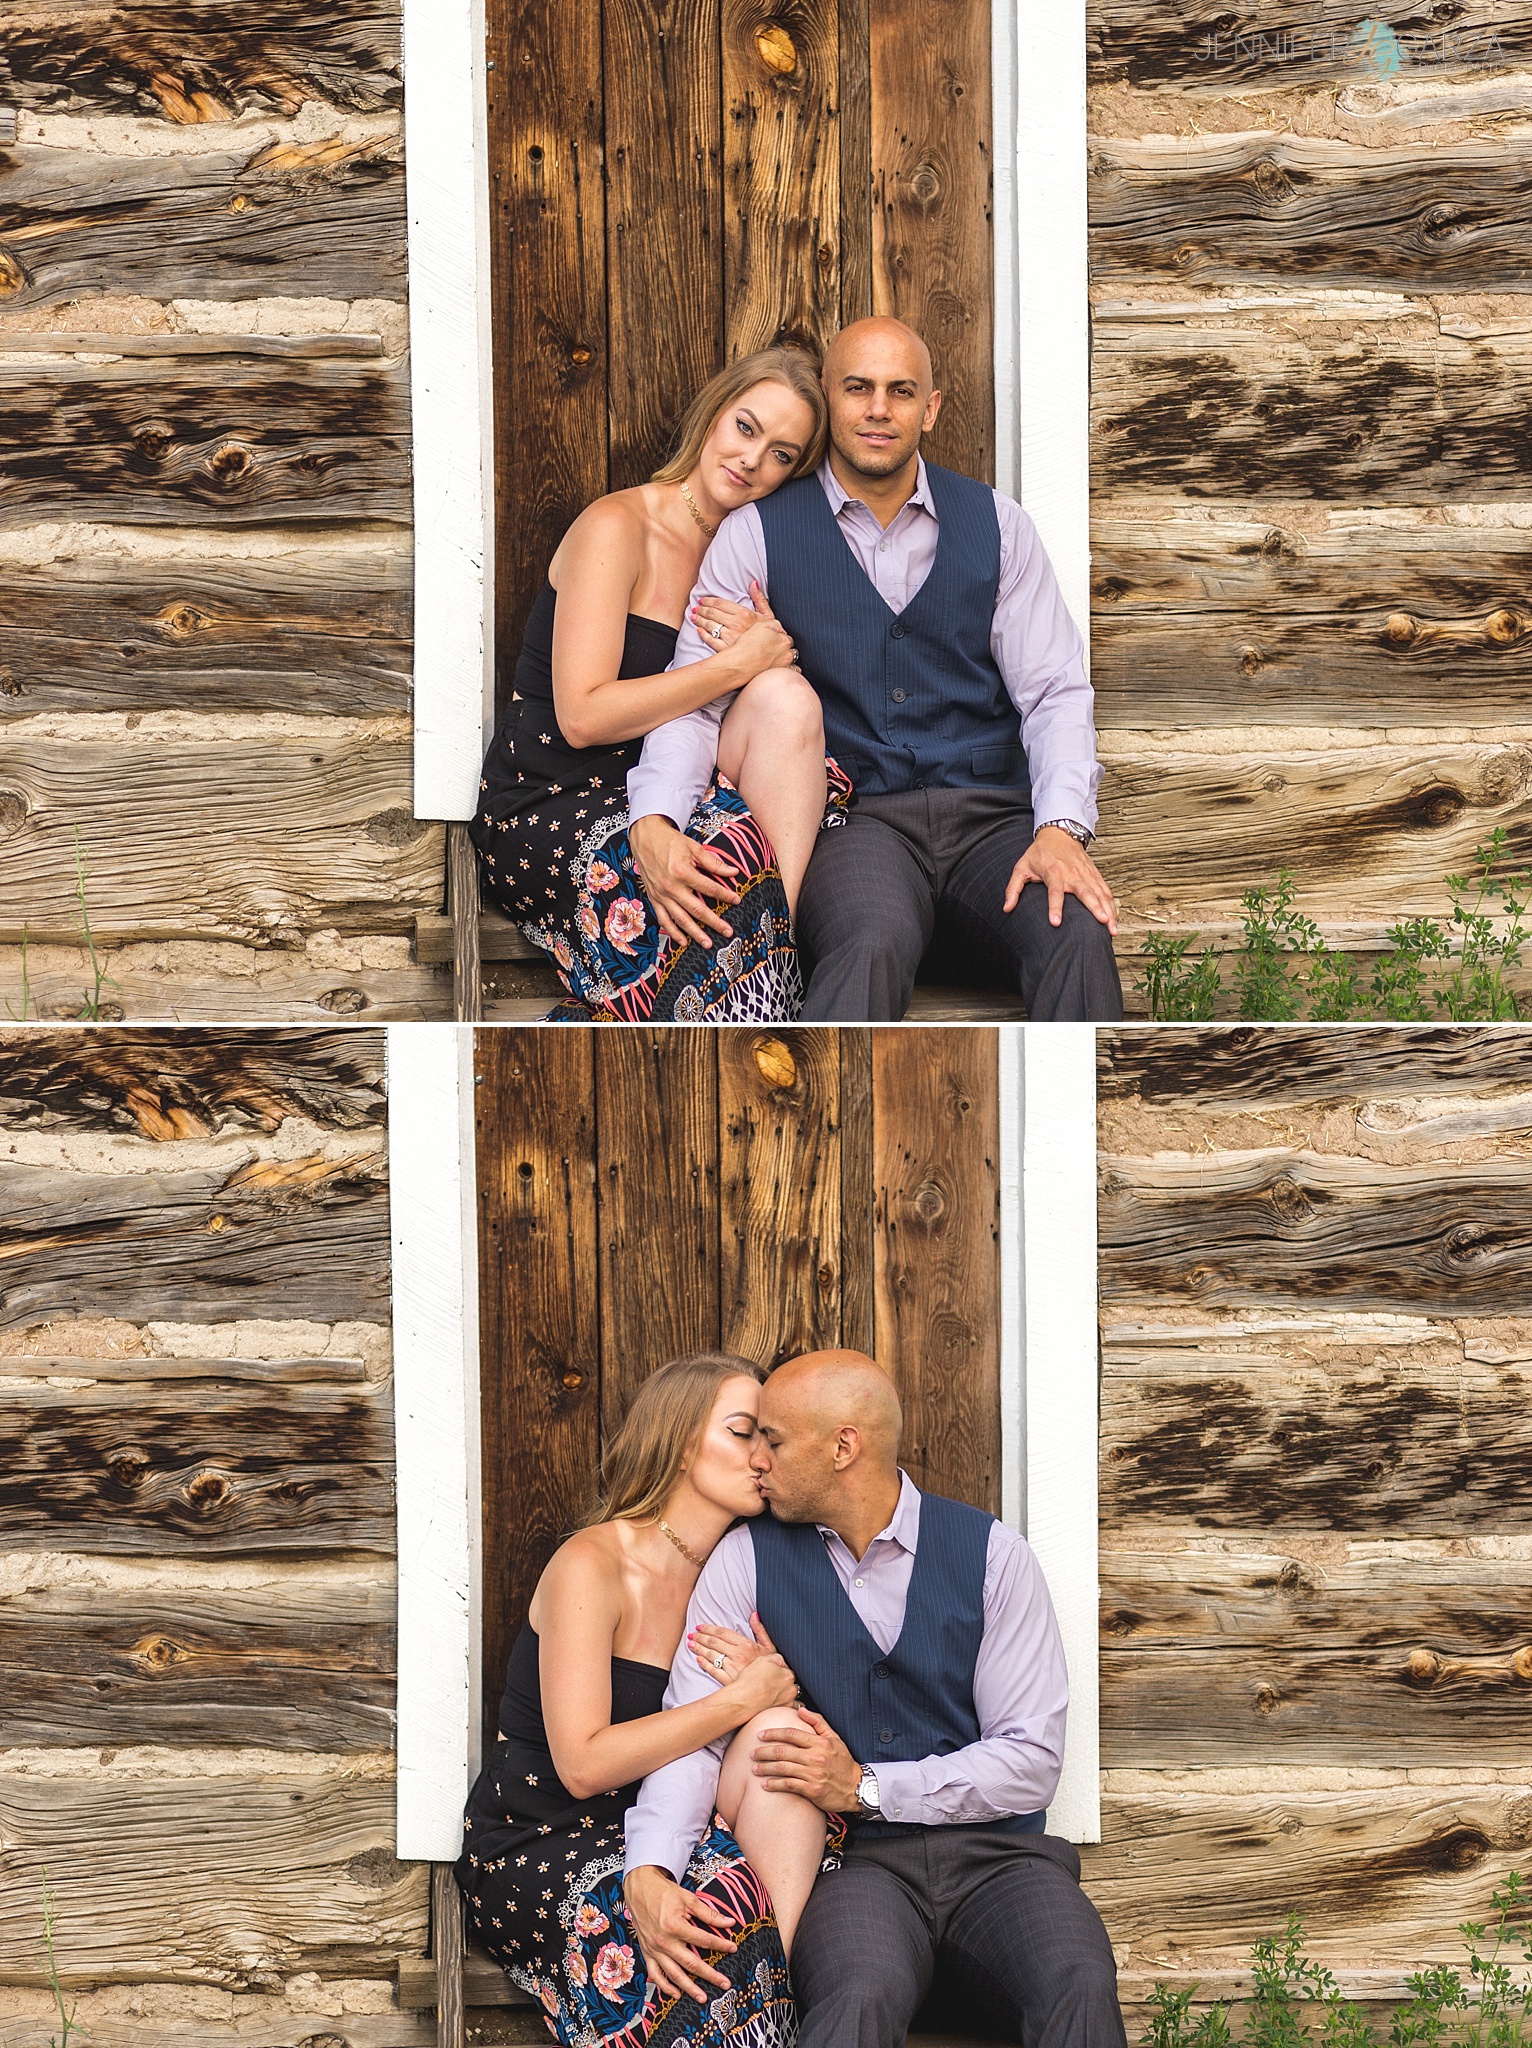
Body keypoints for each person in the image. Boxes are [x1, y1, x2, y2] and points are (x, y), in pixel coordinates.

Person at [623, 1350, 1130, 2048]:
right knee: (857, 1993)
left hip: (1002, 1864)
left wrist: (862, 1784)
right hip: (860, 1869)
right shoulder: (744, 1561)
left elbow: (1031, 1760)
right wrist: (649, 1867)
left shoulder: (992, 1556)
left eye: (772, 1439)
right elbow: (695, 1742)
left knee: (1076, 1978)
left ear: (842, 1447)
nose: (757, 1460)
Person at [625, 318, 1125, 1022]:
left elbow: (1054, 693)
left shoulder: (1001, 527)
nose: (879, 409)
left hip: (992, 821)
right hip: (858, 826)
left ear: (931, 408)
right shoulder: (757, 532)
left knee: (1074, 928)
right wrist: (656, 818)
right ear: (831, 400)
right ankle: (820, 1134)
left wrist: (1060, 831)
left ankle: (1078, 1129)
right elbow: (697, 700)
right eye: (858, 388)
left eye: (901, 391)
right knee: (868, 940)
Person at [454, 1353, 830, 2047]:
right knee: (686, 1949)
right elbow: (583, 1767)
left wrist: (770, 1690)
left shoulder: (743, 1572)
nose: (763, 1455)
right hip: (543, 1838)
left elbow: (787, 1710)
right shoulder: (592, 1565)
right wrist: (737, 1699)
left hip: (663, 1819)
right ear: (684, 1443)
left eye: (770, 1438)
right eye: (744, 1431)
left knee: (735, 1914)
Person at [469, 349, 851, 1023]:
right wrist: (734, 664)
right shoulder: (619, 527)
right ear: (713, 417)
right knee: (703, 890)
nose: (753, 459)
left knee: (746, 852)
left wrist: (770, 659)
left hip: (669, 775)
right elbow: (582, 717)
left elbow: (758, 710)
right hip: (551, 797)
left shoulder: (749, 549)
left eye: (783, 454)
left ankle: (771, 971)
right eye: (746, 427)